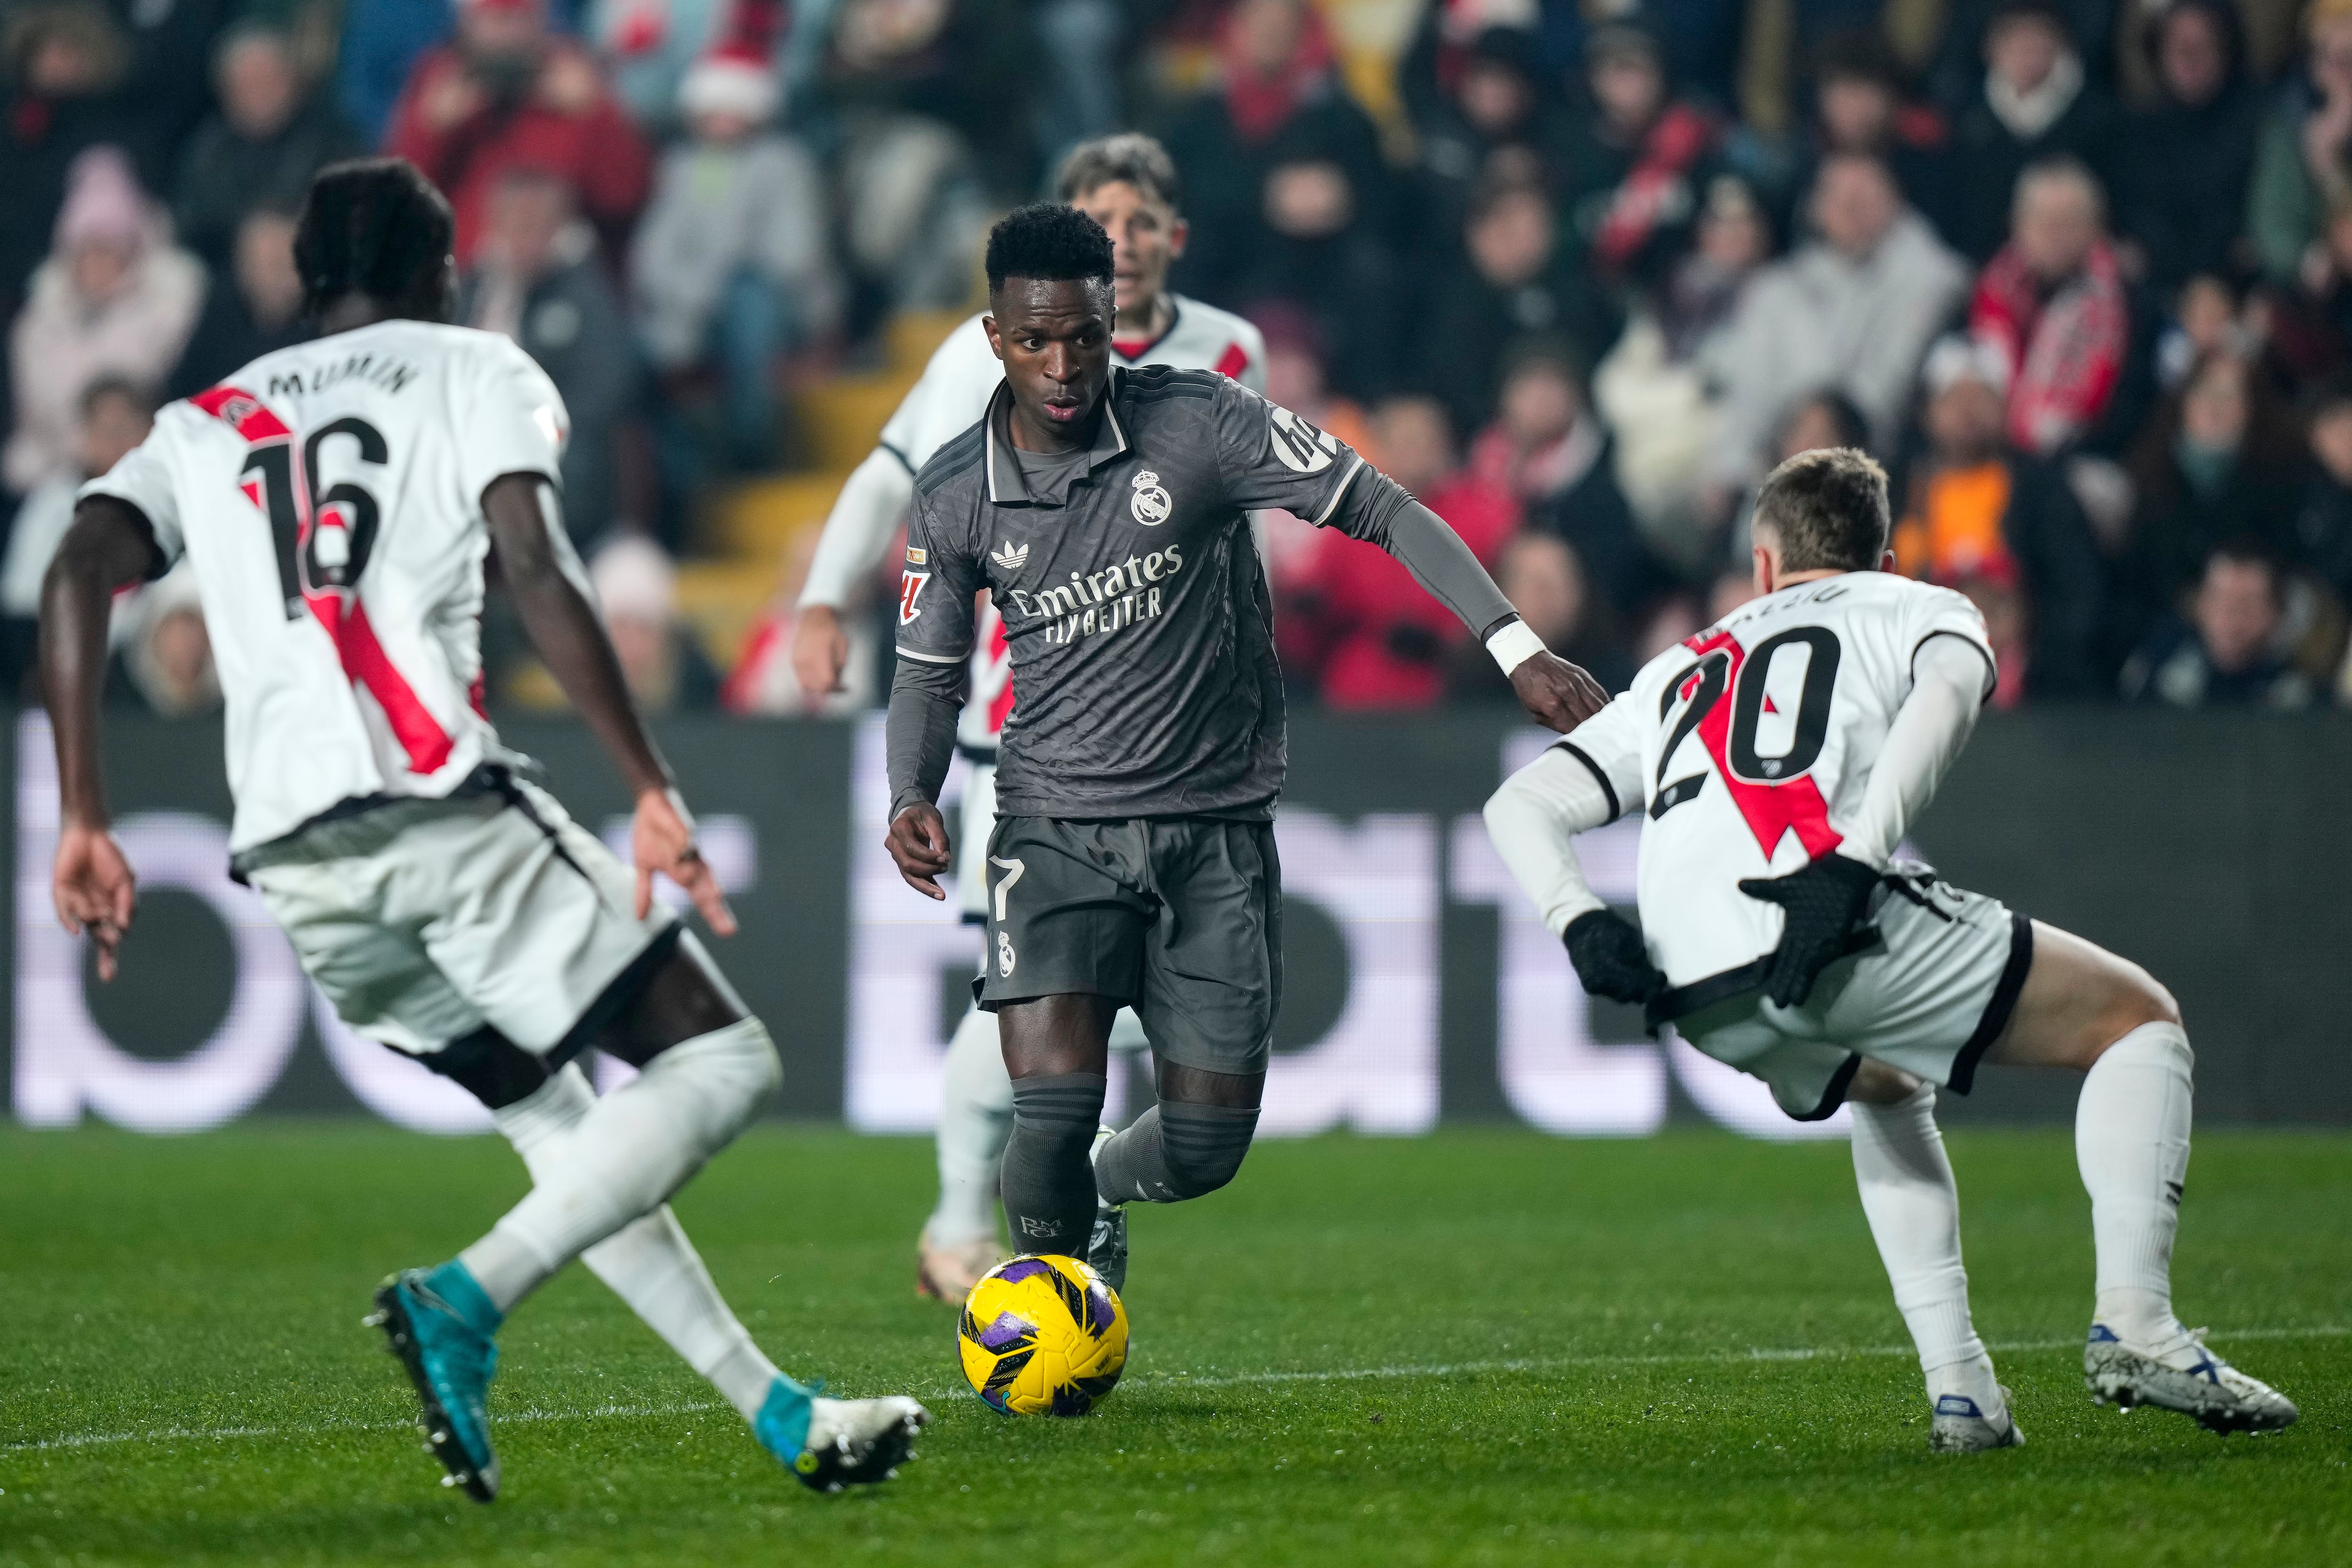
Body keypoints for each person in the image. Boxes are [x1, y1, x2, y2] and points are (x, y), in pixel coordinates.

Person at [40, 158, 924, 1501]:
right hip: (435, 807)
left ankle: (785, 1412)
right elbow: (533, 554)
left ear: (303, 276)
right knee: (725, 1063)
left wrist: (84, 813)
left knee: (565, 1132)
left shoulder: (200, 419)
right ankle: (464, 1295)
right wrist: (647, 780)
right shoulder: (473, 366)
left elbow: (74, 566)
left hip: (297, 869)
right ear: (441, 271)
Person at [1483, 445, 2298, 1453]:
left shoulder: (1678, 665)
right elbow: (1949, 697)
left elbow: (1519, 802)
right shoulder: (1914, 605)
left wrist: (1580, 921)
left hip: (1691, 984)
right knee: (2139, 1022)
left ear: (1765, 562)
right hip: (1820, 916)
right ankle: (2138, 1322)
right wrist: (1856, 857)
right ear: (1884, 548)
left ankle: (1963, 1390)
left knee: (1882, 1082)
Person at [882, 203, 1606, 1296]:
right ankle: (1044, 1315)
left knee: (1206, 1145)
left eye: (1084, 333)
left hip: (1214, 828)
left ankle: (1105, 1191)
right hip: (1054, 827)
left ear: (1111, 317)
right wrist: (909, 790)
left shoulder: (1201, 422)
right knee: (1051, 1097)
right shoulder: (952, 488)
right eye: (1035, 340)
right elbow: (930, 668)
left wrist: (1514, 646)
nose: (1064, 363)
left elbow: (1383, 507)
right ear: (996, 337)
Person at [788, 134, 1268, 1301]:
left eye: (1142, 218)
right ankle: (962, 1224)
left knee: (1120, 1019)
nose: (1127, 237)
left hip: (1176, 734)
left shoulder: (1223, 355)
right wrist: (820, 595)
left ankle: (1021, 1208)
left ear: (1168, 237)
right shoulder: (987, 348)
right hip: (1030, 725)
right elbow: (900, 471)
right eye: (1104, 217)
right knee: (1052, 1008)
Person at [1703, 152, 1968, 493]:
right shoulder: (1780, 287)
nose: (1851, 212)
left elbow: (1883, 394)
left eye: (1864, 200)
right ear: (1816, 209)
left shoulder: (1928, 280)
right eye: (1839, 200)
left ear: (1895, 204)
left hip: (1875, 468)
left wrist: (1821, 432)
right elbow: (1749, 393)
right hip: (1778, 466)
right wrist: (1731, 465)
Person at [631, 45, 841, 475]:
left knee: (750, 307)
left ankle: (751, 442)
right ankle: (687, 470)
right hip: (694, 302)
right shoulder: (681, 167)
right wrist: (694, 291)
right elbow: (657, 249)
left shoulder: (785, 164)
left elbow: (794, 251)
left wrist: (724, 279)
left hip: (771, 299)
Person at [383, 0, 652, 263]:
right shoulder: (440, 78)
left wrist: (596, 114)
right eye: (497, 20)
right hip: (461, 267)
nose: (509, 34)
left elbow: (623, 199)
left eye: (519, 18)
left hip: (553, 269)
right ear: (468, 23)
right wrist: (431, 130)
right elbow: (396, 204)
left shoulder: (573, 77)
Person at [6, 146, 202, 498]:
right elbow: (33, 423)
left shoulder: (169, 312)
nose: (98, 264)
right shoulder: (38, 326)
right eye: (88, 250)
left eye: (108, 249)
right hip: (57, 477)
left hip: (143, 472)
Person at [1969, 157, 2133, 458]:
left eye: (2069, 221)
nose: (2054, 233)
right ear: (2018, 225)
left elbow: (2127, 409)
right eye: (2043, 220)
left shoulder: (2126, 305)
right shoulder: (1988, 293)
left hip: (2081, 459)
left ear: (2095, 228)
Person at [173, 22, 364, 270]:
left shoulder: (332, 135)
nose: (258, 94)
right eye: (246, 85)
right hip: (229, 272)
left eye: (267, 80)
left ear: (293, 81)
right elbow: (193, 222)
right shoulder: (210, 148)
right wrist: (248, 235)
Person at [2120, 542, 2316, 707]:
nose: (2232, 621)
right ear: (2200, 604)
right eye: (2221, 602)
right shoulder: (2159, 667)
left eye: (2248, 605)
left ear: (2277, 612)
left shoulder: (2300, 687)